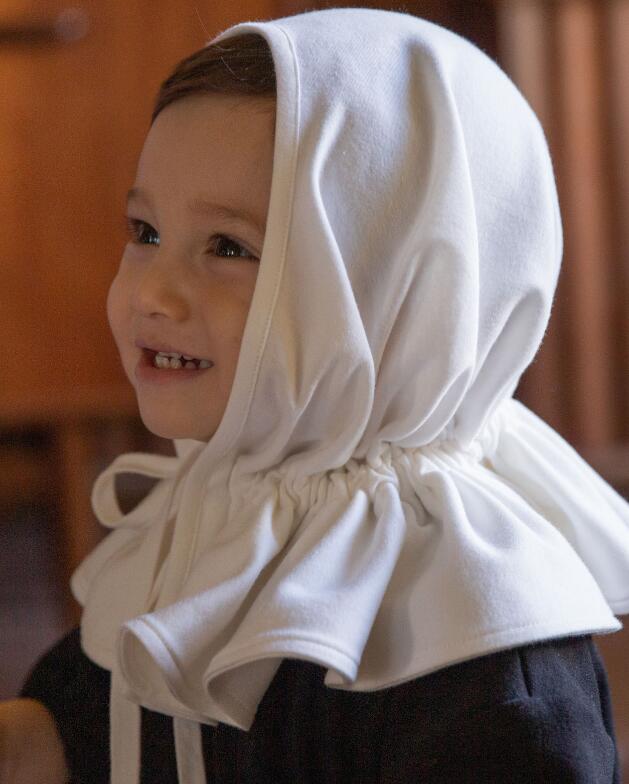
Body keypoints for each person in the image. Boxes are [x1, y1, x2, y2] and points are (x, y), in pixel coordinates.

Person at [2, 7, 629, 783]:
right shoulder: (219, 522)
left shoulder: (479, 661)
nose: (153, 294)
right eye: (145, 232)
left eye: (228, 247)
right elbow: (81, 735)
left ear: (399, 290)